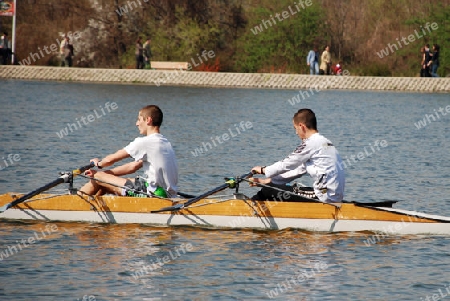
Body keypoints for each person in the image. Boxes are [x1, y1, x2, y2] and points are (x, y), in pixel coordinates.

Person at [78, 105, 179, 198]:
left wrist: (99, 164)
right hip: (166, 193)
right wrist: (107, 174)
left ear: (148, 120)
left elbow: (110, 159)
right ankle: (92, 207)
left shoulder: (145, 142)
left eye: (139, 119)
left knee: (97, 177)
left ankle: (74, 202)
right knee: (103, 180)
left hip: (153, 194)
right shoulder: (165, 143)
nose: (137, 123)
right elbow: (132, 167)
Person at [250, 108, 345, 203]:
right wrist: (269, 181)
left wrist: (263, 170)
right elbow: (298, 170)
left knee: (267, 191)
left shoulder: (311, 143)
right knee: (276, 189)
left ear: (301, 126)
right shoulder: (325, 142)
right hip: (332, 195)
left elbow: (287, 163)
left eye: (295, 129)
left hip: (324, 197)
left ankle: (244, 209)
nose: (296, 133)